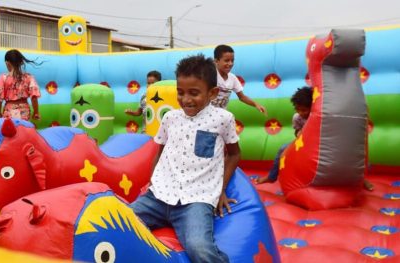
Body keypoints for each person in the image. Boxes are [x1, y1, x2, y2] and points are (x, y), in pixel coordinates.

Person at [130, 54, 241, 263]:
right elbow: (160, 152)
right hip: (159, 197)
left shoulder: (222, 119)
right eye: (180, 93)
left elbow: (235, 153)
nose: (186, 99)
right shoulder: (171, 117)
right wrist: (153, 180)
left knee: (199, 248)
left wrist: (221, 189)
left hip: (196, 200)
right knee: (120, 222)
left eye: (194, 93)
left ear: (212, 93)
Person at [255, 86, 374, 191]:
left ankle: (361, 179)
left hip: (325, 145)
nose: (300, 112)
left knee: (352, 156)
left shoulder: (321, 116)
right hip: (305, 143)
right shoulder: (297, 118)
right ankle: (271, 177)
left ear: (313, 107)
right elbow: (297, 133)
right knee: (283, 149)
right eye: (298, 109)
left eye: (304, 110)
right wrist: (300, 133)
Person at [212, 44, 267, 115]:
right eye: (226, 60)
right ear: (216, 61)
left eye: (232, 60)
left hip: (222, 115)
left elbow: (242, 97)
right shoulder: (210, 75)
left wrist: (256, 104)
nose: (230, 63)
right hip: (208, 115)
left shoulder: (232, 78)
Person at [0, 49, 41, 121]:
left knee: (10, 131)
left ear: (7, 63)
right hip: (24, 110)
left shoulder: (3, 77)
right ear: (20, 63)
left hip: (9, 110)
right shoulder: (29, 77)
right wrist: (36, 112)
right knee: (22, 129)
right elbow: (34, 98)